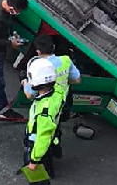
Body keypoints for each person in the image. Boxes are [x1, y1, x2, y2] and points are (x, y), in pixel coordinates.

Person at [22, 35, 81, 168]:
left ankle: (42, 163)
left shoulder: (37, 68)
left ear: (38, 52)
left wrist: (25, 82)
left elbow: (29, 95)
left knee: (40, 134)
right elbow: (77, 80)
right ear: (53, 47)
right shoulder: (66, 60)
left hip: (46, 107)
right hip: (61, 104)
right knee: (55, 128)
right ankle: (56, 147)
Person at [17, 57, 66, 185]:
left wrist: (34, 159)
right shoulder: (57, 91)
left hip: (37, 147)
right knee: (37, 173)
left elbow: (43, 137)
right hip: (47, 142)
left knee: (37, 174)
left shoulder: (44, 111)